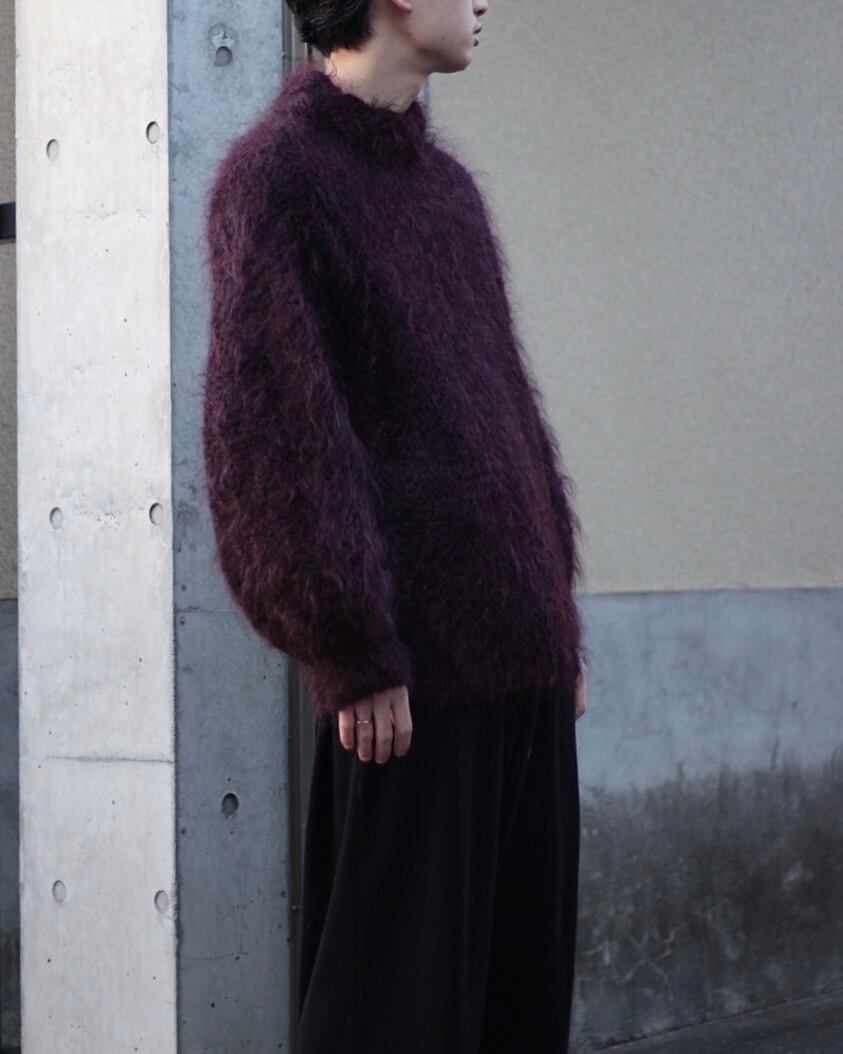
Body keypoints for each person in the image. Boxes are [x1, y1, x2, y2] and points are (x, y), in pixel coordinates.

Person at [201, 0, 589, 1049]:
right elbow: (272, 435)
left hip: (522, 663)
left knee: (517, 1006)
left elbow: (505, 415)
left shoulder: (448, 192)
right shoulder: (279, 178)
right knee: (394, 1015)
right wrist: (349, 645)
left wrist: (556, 621)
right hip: (410, 685)